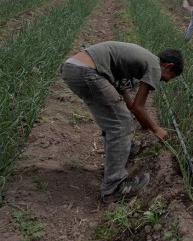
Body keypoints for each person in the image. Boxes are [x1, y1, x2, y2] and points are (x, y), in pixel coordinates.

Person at [60, 41, 184, 203]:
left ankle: (124, 150)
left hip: (74, 68)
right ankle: (114, 186)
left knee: (118, 118)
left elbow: (127, 99)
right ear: (168, 66)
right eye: (171, 77)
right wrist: (157, 130)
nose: (167, 81)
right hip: (86, 71)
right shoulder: (154, 66)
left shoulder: (141, 59)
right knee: (120, 124)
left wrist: (143, 123)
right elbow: (139, 107)